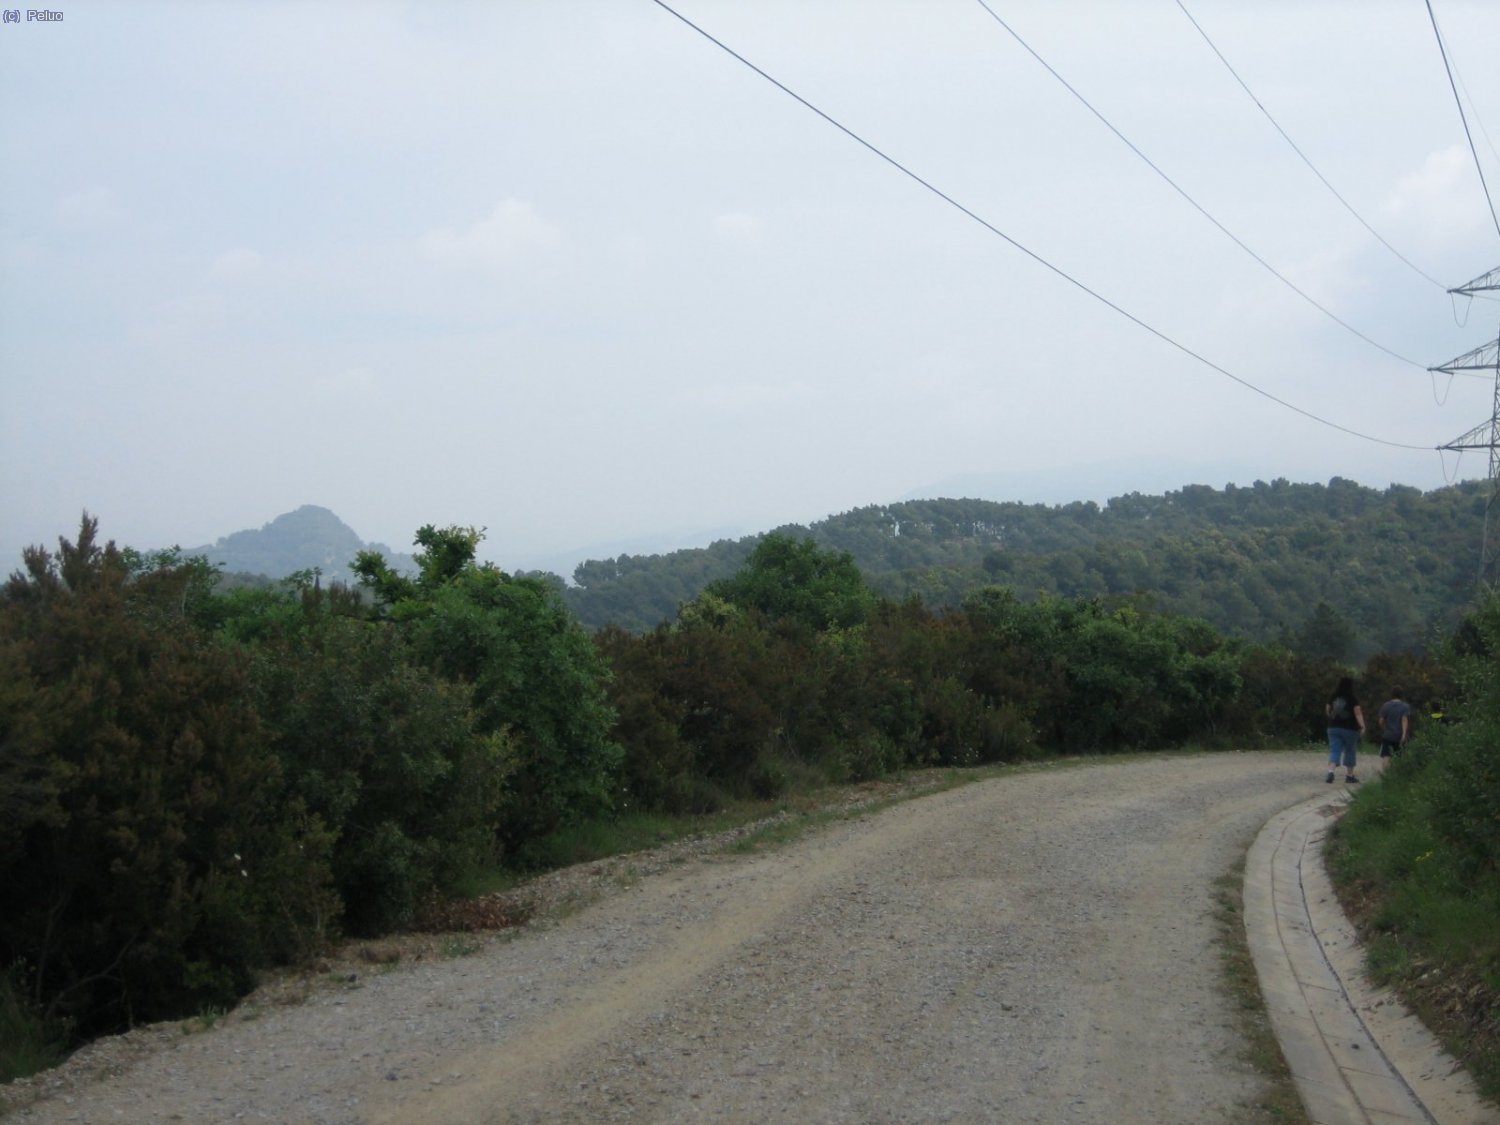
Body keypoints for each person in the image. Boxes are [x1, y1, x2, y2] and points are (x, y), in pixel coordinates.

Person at [1324, 676, 1365, 784]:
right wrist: (1362, 726)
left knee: (1335, 750)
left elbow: (1327, 709)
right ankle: (1349, 776)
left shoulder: (1333, 696)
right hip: (1350, 729)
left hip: (1333, 727)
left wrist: (1332, 718)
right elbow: (1357, 713)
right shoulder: (1352, 698)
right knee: (1350, 750)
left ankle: (1331, 772)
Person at [1377, 686, 1412, 767]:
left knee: (1386, 755)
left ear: (1392, 694)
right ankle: (1396, 772)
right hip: (1399, 735)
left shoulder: (1386, 705)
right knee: (1399, 756)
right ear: (1401, 695)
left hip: (1388, 735)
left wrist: (1384, 728)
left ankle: (1386, 772)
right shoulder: (1405, 707)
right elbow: (1404, 720)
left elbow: (1381, 721)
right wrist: (1404, 734)